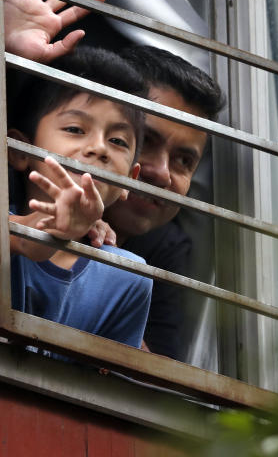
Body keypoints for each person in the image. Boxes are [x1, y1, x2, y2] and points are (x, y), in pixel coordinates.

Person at [6, 46, 152, 348]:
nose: (99, 148)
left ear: (129, 181)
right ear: (19, 152)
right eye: (75, 129)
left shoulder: (126, 278)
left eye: (117, 140)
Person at [103, 46, 226, 361]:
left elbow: (155, 384)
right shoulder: (24, 202)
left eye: (184, 160)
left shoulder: (162, 249)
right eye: (145, 141)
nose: (161, 173)